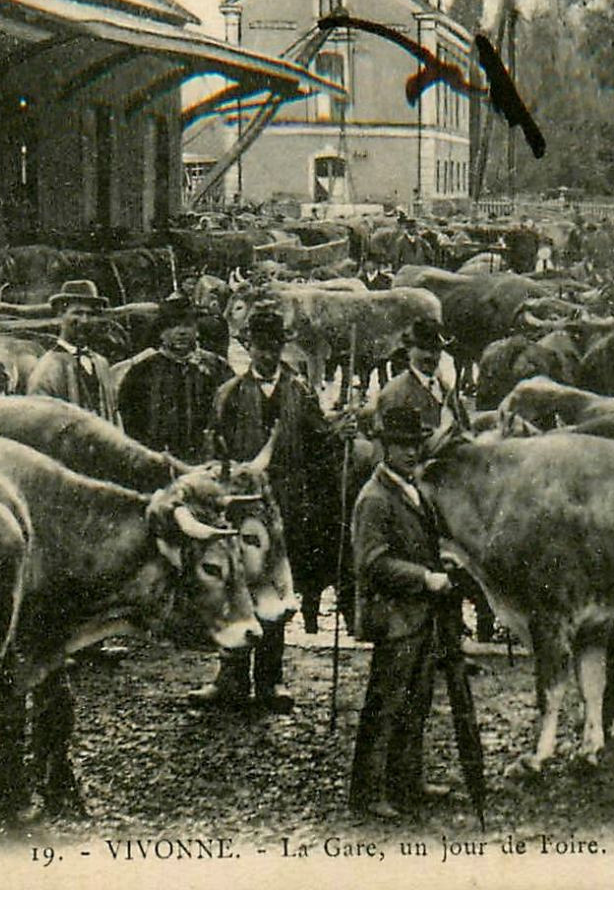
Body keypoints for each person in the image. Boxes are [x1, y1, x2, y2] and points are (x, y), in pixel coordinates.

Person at [193, 308, 343, 711]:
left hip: (287, 511)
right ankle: (230, 677)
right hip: (240, 514)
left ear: (282, 345)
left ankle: (271, 679)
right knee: (237, 591)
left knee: (275, 591)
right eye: (260, 346)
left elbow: (319, 448)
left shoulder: (301, 393)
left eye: (275, 345)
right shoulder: (228, 394)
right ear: (249, 348)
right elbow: (213, 458)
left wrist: (337, 432)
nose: (267, 354)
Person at [347, 404, 456, 820]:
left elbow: (422, 542)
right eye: (401, 445)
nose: (411, 452)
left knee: (417, 701)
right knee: (386, 705)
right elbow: (372, 563)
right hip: (393, 616)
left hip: (417, 614)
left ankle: (408, 781)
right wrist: (425, 578)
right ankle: (369, 791)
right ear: (383, 446)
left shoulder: (411, 490)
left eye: (415, 444)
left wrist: (443, 562)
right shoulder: (374, 499)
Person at [117, 294, 232, 461]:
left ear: (196, 330)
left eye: (188, 325)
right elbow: (130, 421)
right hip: (158, 460)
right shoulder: (142, 371)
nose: (181, 332)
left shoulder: (216, 367)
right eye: (172, 326)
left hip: (206, 461)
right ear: (161, 333)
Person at [27, 279, 120, 425]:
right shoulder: (47, 368)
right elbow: (39, 424)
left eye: (90, 314)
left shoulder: (101, 364)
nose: (84, 320)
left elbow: (114, 417)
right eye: (77, 313)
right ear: (60, 315)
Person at [378, 319, 461, 436]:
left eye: (436, 349)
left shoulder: (445, 389)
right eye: (423, 348)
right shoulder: (396, 392)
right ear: (409, 350)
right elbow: (391, 443)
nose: (430, 356)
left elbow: (463, 429)